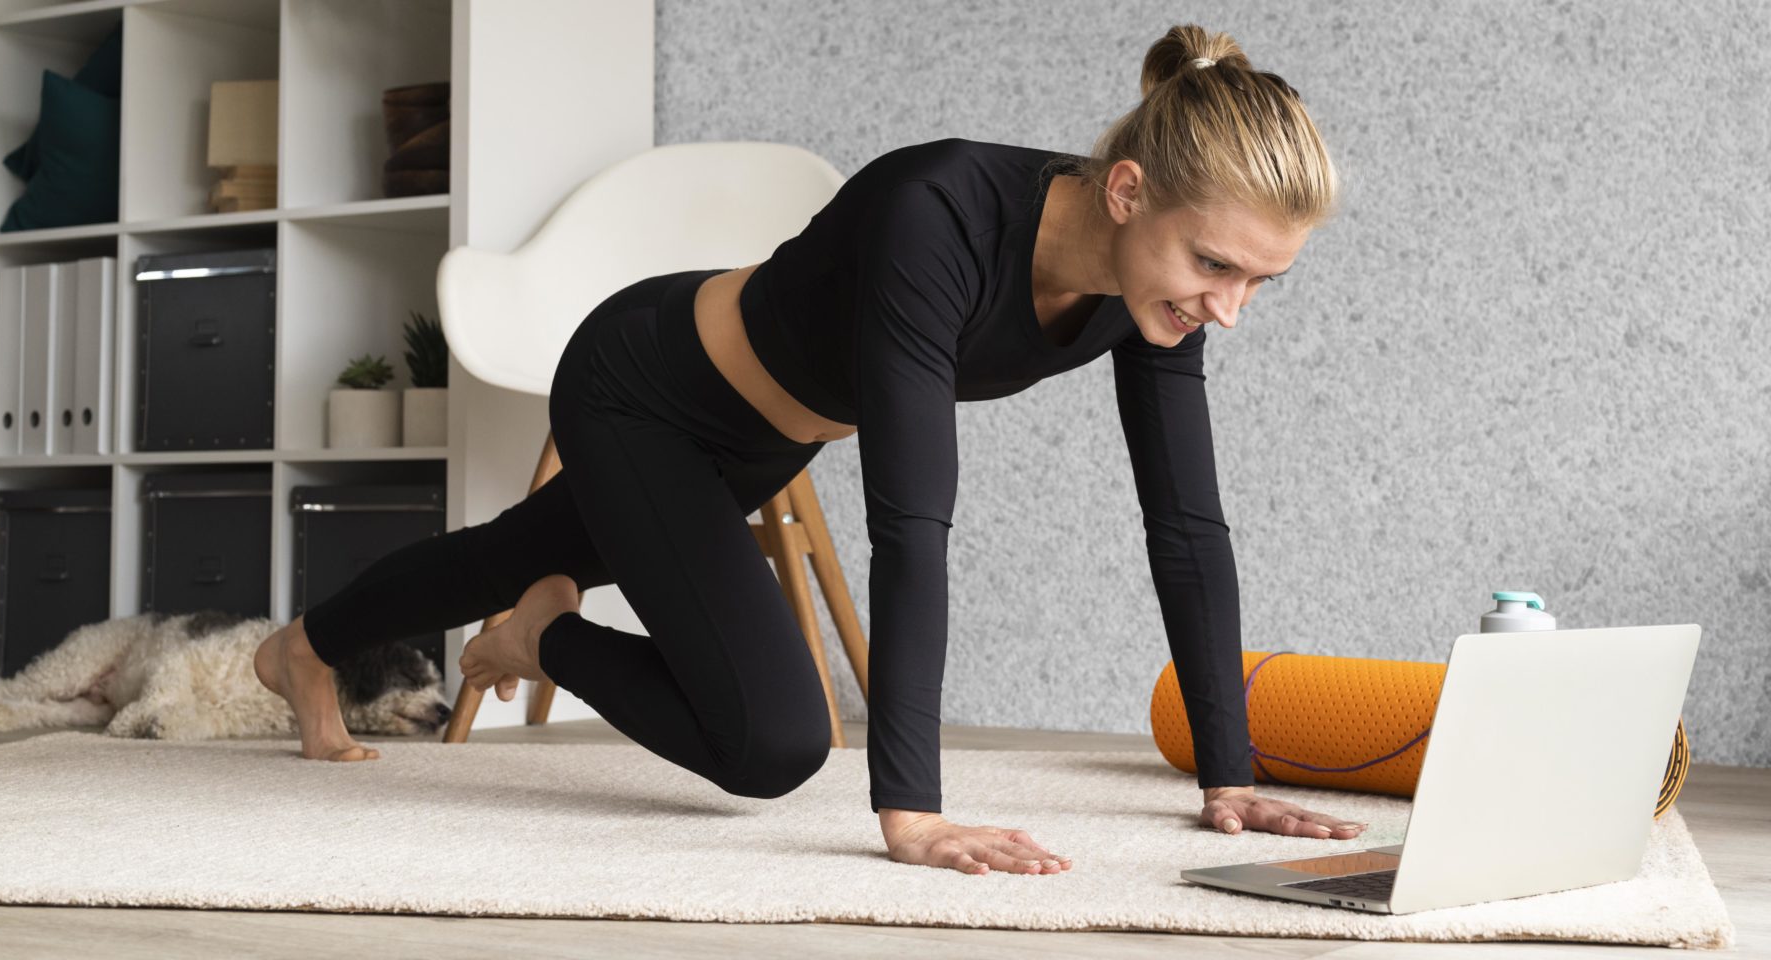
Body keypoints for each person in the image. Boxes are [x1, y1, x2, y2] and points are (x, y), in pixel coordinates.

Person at [253, 23, 1364, 876]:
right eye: (1220, 267)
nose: (1231, 309)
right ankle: (547, 641)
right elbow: (914, 522)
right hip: (643, 389)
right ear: (1128, 192)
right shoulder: (938, 212)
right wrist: (911, 810)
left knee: (513, 549)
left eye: (1262, 281)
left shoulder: (1148, 293)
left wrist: (1229, 776)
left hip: (759, 446)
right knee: (775, 743)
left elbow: (1184, 523)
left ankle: (307, 649)